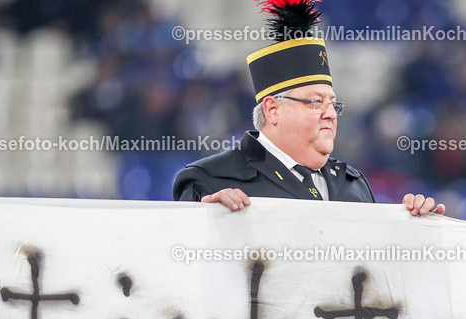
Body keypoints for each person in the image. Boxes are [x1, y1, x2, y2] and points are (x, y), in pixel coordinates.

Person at [172, 0, 440, 217]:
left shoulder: (354, 185)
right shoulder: (210, 180)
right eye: (315, 102)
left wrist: (414, 228)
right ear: (273, 110)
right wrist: (205, 223)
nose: (330, 113)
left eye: (333, 103)